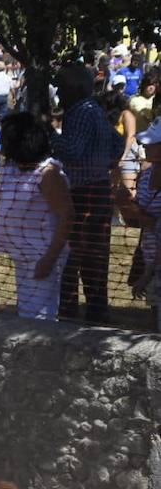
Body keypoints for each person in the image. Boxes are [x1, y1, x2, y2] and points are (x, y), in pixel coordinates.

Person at [53, 62, 124, 323]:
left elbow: (72, 150)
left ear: (75, 87)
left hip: (85, 194)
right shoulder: (93, 110)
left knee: (74, 257)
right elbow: (117, 146)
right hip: (97, 190)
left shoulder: (82, 111)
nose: (58, 91)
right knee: (95, 259)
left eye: (61, 85)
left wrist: (47, 132)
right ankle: (96, 313)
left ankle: (71, 314)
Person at [0, 113, 74, 321]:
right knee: (27, 312)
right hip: (24, 254)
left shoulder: (49, 174)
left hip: (42, 255)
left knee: (39, 317)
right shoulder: (13, 167)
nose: (2, 145)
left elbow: (68, 216)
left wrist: (49, 259)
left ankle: (40, 352)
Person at [114, 120, 161, 330]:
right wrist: (127, 204)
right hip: (150, 255)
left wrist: (147, 274)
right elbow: (143, 220)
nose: (145, 147)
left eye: (151, 143)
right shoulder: (146, 176)